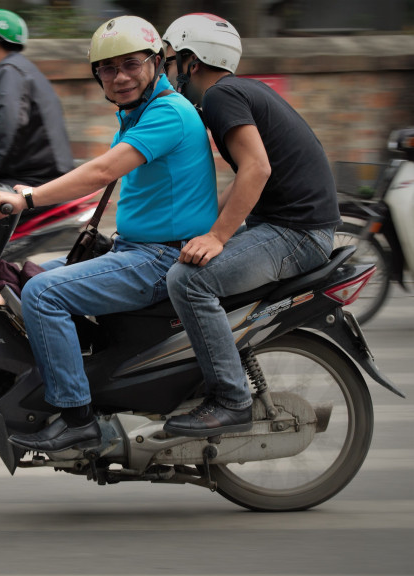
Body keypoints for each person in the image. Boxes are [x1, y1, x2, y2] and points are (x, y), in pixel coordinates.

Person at [0, 16, 218, 452]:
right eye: (108, 69)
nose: (120, 77)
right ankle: (91, 378)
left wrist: (29, 198)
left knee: (43, 295)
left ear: (157, 62)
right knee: (27, 282)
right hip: (139, 249)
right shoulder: (140, 115)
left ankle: (77, 418)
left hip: (160, 258)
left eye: (131, 64)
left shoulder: (167, 112)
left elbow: (103, 170)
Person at [161, 14, 340, 437]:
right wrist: (205, 227)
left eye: (169, 61)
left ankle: (231, 400)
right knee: (185, 256)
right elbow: (247, 175)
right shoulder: (238, 90)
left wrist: (218, 235)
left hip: (297, 233)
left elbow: (256, 169)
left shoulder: (222, 96)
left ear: (192, 61)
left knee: (187, 281)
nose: (166, 72)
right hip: (290, 225)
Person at [0, 8, 74, 187]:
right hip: (43, 176)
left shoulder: (10, 72)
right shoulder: (19, 69)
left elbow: (6, 129)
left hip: (34, 181)